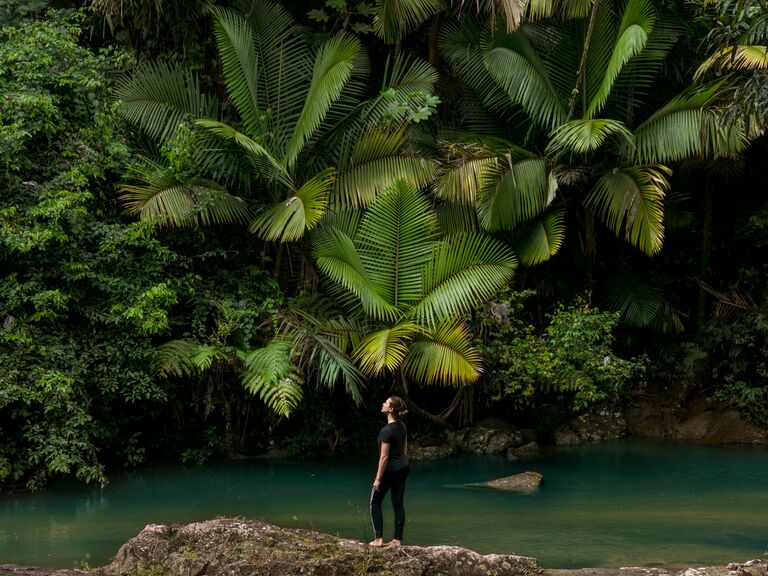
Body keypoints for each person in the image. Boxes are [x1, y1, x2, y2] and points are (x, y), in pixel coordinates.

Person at [369, 395, 410, 548]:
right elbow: (405, 449)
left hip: (390, 470)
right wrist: (402, 462)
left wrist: (378, 479)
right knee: (398, 503)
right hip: (403, 467)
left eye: (386, 402)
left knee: (374, 502)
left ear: (391, 409)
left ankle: (378, 539)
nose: (383, 403)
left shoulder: (386, 431)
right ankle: (397, 540)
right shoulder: (402, 426)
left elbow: (384, 457)